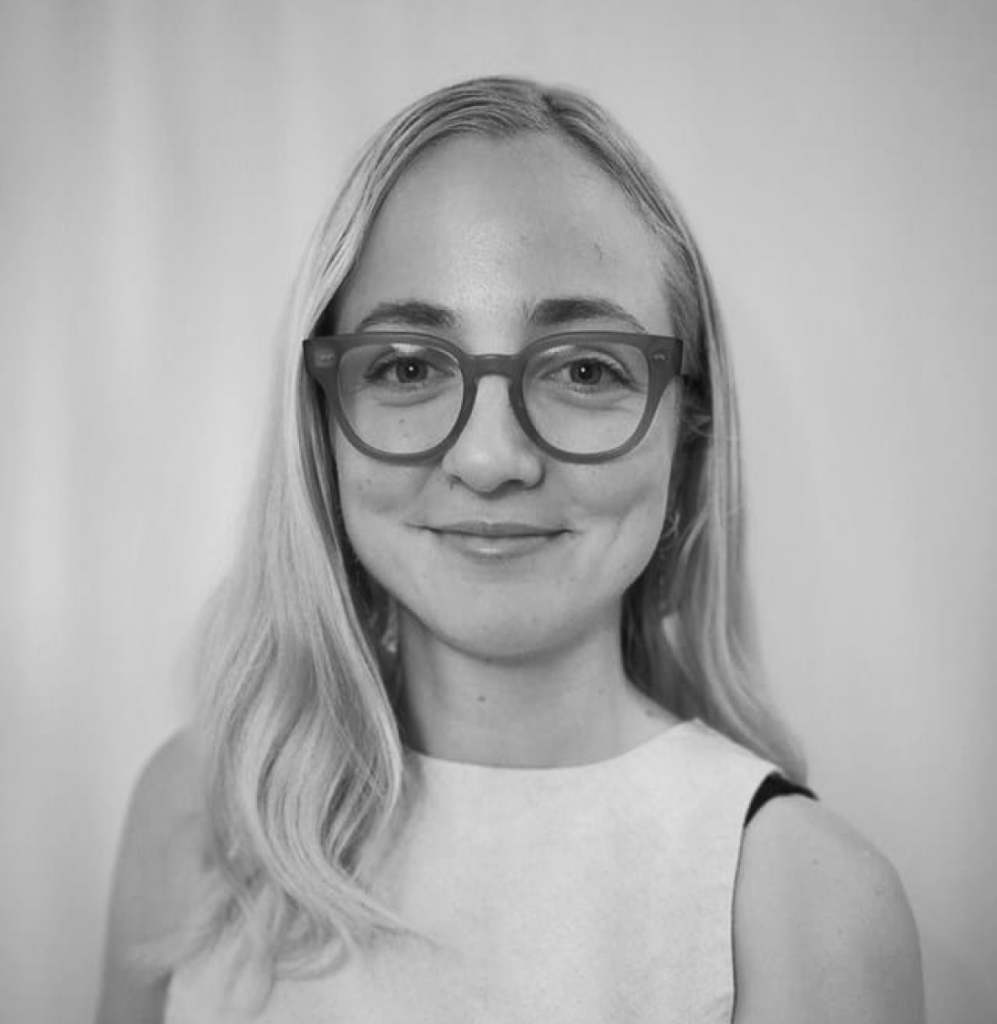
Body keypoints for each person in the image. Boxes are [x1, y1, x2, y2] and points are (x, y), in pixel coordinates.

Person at [95, 76, 925, 1024]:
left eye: (583, 369)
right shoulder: (201, 815)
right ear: (320, 424)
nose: (490, 457)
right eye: (407, 366)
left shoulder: (807, 906)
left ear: (687, 437)